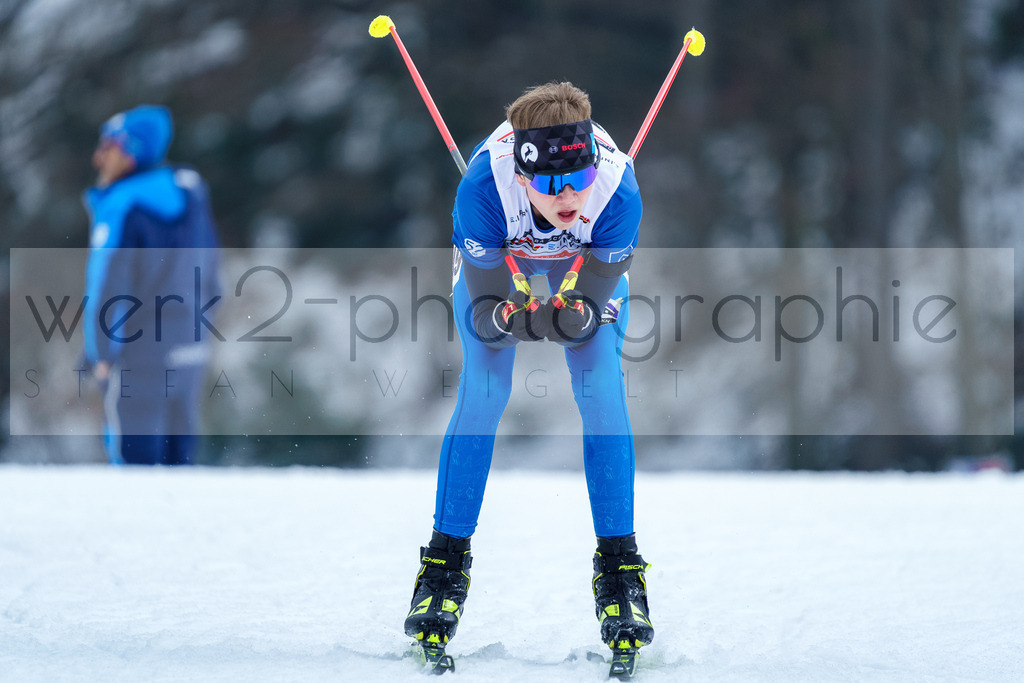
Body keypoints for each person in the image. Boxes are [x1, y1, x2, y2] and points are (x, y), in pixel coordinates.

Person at [404, 82, 653, 664]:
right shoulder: (482, 191)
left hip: (581, 261)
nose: (568, 196)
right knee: (485, 390)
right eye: (550, 183)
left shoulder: (616, 194)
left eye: (577, 179)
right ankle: (442, 567)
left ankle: (621, 572)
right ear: (523, 177)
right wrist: (515, 316)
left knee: (601, 393)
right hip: (503, 256)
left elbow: (589, 308)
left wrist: (571, 317)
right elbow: (486, 313)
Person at [82, 105, 220, 466]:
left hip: (140, 355)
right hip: (191, 347)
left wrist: (100, 354)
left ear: (130, 150)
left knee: (136, 471)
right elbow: (213, 274)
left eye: (106, 147)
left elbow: (107, 287)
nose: (98, 158)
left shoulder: (123, 205)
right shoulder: (191, 193)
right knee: (179, 464)